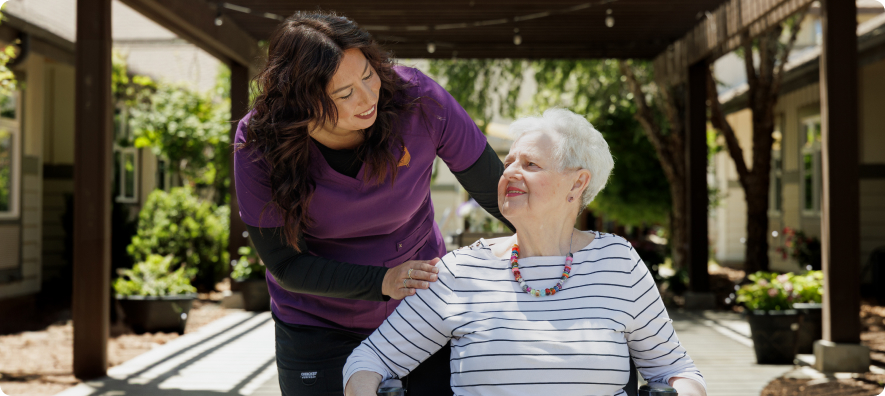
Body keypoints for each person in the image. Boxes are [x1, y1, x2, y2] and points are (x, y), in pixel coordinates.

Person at [233, 11, 512, 396]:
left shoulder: (418, 99)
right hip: (316, 323)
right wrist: (383, 281)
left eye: (368, 75)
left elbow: (501, 196)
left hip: (420, 309)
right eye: (344, 94)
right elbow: (284, 263)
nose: (367, 98)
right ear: (302, 102)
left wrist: (569, 253)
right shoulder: (258, 140)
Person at [343, 109, 708, 396]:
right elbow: (369, 360)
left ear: (577, 183)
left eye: (530, 165)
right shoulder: (460, 272)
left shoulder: (618, 263)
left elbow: (675, 369)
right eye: (508, 163)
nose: (510, 174)